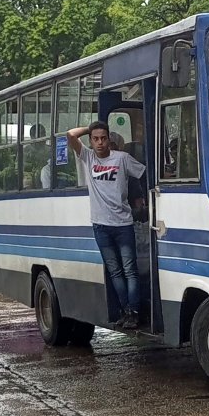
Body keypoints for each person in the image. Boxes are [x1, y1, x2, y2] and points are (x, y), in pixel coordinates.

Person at [67, 121, 146, 329]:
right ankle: (125, 310)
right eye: (95, 139)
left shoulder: (122, 159)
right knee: (115, 272)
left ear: (109, 139)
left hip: (123, 225)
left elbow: (143, 175)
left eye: (103, 138)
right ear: (91, 141)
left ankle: (135, 312)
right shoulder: (88, 157)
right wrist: (90, 127)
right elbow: (70, 135)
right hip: (100, 226)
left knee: (130, 270)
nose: (100, 143)